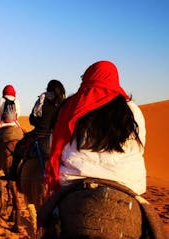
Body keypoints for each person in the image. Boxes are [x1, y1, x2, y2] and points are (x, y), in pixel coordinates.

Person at [46, 60, 146, 196]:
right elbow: (140, 146)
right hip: (128, 182)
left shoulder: (71, 106)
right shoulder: (132, 109)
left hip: (76, 178)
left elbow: (57, 143)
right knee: (149, 216)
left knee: (46, 213)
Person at [2, 80, 66, 181]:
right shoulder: (64, 102)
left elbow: (33, 118)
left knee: (19, 146)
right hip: (57, 135)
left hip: (40, 133)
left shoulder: (42, 99)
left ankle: (13, 173)